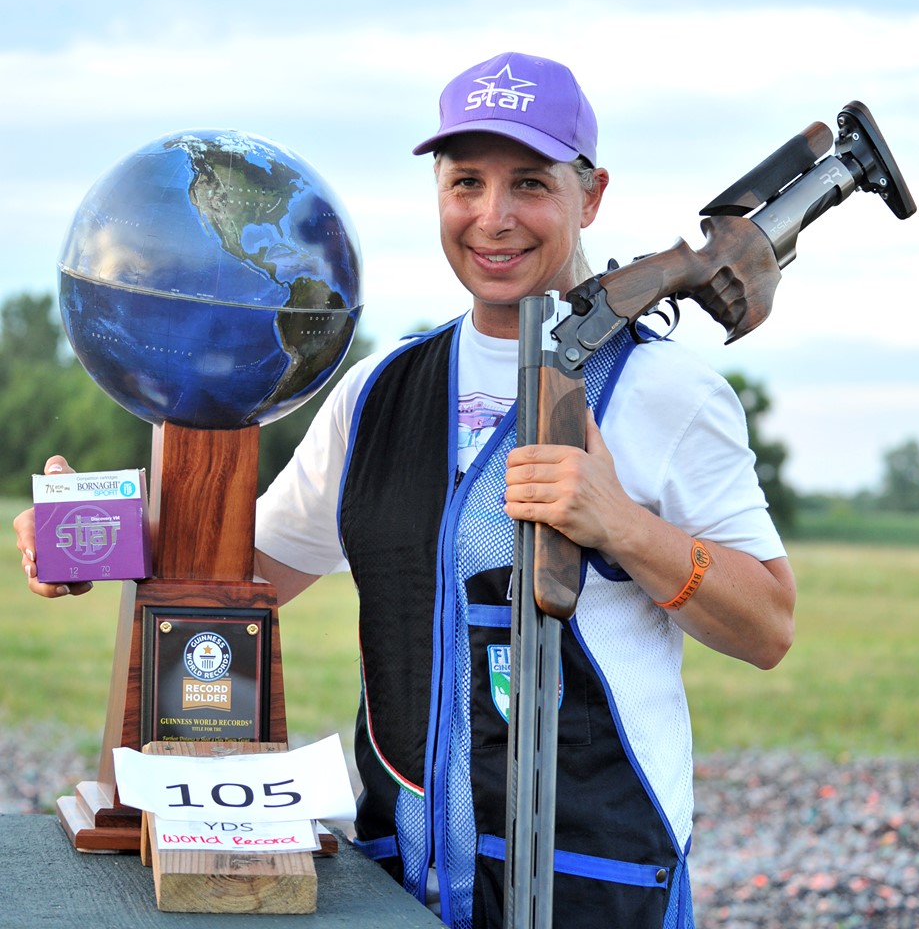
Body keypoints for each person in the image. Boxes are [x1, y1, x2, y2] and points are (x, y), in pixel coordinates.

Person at [15, 51, 796, 929]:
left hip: (593, 889)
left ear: (592, 194)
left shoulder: (671, 394)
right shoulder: (375, 392)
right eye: (465, 182)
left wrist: (622, 526)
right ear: (437, 190)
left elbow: (767, 625)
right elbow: (242, 584)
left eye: (529, 183)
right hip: (397, 892)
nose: (492, 218)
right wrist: (95, 533)